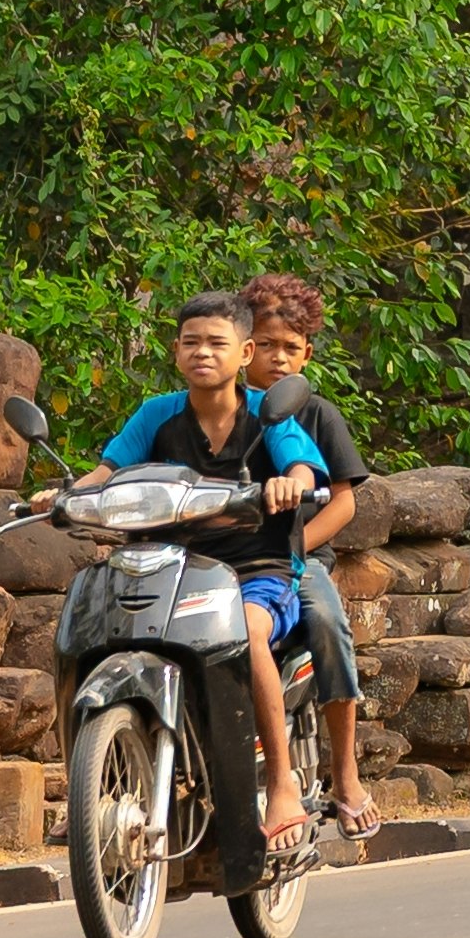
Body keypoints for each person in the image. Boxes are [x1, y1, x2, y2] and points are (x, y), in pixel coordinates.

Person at [92, 291, 337, 839]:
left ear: (245, 352)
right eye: (191, 342)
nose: (202, 352)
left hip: (258, 570)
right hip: (172, 568)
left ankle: (280, 785)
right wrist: (59, 497)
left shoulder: (269, 413)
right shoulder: (156, 414)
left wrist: (288, 484)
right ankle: (94, 785)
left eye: (216, 343)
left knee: (246, 633)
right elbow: (107, 472)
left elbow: (303, 468)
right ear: (176, 351)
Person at [232, 271, 379, 835]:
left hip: (299, 562)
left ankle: (346, 773)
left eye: (290, 349)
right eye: (266, 346)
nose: (278, 360)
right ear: (245, 347)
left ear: (308, 354)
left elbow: (343, 505)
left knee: (327, 622)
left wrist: (294, 546)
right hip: (223, 558)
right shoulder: (221, 408)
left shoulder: (316, 415)